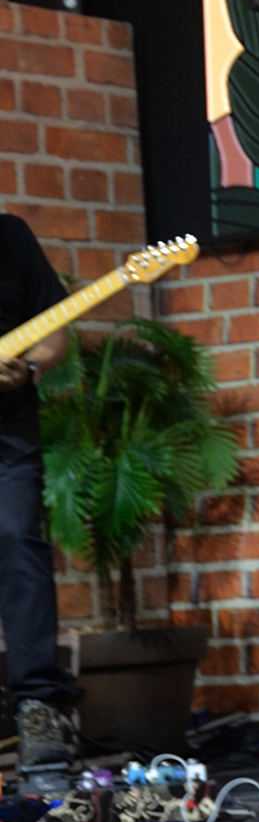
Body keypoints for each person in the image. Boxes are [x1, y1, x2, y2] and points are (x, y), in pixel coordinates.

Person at [0, 214, 75, 786]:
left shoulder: (12, 238)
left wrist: (28, 366)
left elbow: (54, 331)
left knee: (19, 540)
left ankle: (40, 713)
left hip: (9, 433)